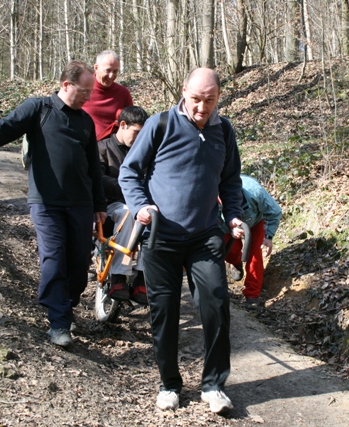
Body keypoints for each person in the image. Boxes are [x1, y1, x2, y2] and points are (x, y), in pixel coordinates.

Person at [0, 61, 107, 348]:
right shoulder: (39, 109)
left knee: (79, 261)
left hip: (81, 203)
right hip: (46, 203)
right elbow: (4, 128)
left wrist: (99, 204)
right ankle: (58, 321)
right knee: (54, 258)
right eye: (84, 91)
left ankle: (64, 305)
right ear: (66, 85)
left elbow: (93, 167)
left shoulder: (85, 121)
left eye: (91, 92)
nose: (89, 97)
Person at [119, 68, 244, 414]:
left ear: (219, 97)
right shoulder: (160, 125)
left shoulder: (225, 130)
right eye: (196, 99)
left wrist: (233, 215)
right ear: (183, 91)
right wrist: (141, 206)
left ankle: (214, 385)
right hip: (162, 237)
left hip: (205, 236)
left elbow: (231, 182)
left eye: (210, 100)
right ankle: (169, 384)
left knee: (217, 304)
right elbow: (129, 172)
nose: (202, 107)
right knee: (164, 312)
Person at [98, 105, 149, 304]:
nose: (139, 138)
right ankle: (118, 276)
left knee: (154, 216)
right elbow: (97, 179)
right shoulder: (101, 148)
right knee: (130, 213)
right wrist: (129, 188)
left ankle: (143, 276)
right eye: (136, 132)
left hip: (140, 204)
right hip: (111, 205)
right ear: (123, 125)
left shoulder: (144, 152)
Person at [220, 174, 282, 309]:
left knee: (255, 256)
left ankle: (252, 295)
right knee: (230, 251)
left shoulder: (255, 191)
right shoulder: (211, 198)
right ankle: (236, 263)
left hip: (256, 221)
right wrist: (231, 229)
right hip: (226, 226)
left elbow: (275, 212)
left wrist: (268, 238)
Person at [82, 50, 133, 140]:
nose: (111, 76)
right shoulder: (83, 89)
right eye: (108, 70)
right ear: (96, 68)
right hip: (86, 145)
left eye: (115, 71)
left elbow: (131, 124)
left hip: (113, 148)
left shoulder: (123, 93)